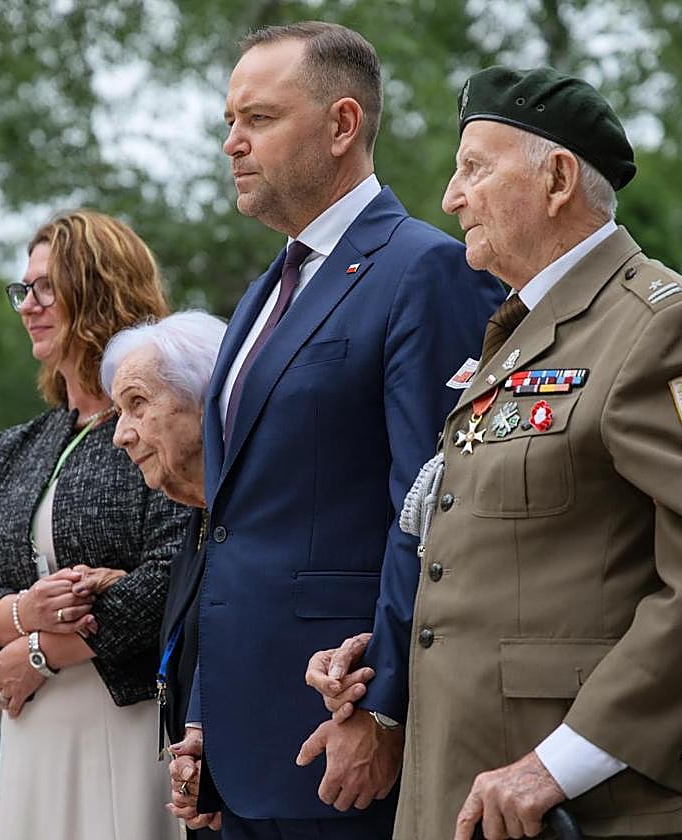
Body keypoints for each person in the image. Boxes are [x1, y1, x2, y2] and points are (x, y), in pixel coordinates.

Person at [315, 67, 682, 840]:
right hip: (459, 786)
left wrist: (562, 762)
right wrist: (379, 663)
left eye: (473, 169)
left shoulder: (660, 325)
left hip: (577, 802)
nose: (450, 198)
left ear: (557, 178)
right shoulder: (515, 332)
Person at [175, 20, 504, 840]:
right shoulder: (263, 291)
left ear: (342, 124)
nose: (232, 144)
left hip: (343, 740)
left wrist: (384, 710)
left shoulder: (424, 268)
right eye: (228, 123)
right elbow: (232, 528)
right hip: (246, 746)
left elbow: (435, 514)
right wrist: (207, 711)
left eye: (257, 119)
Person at [0, 210, 191, 840]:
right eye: (22, 290)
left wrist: (40, 652)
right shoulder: (20, 444)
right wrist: (26, 613)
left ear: (101, 288)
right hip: (31, 725)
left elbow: (174, 571)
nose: (28, 304)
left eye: (46, 287)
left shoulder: (159, 420)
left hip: (122, 713)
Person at [99, 310, 229, 834]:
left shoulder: (244, 522)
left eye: (137, 405)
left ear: (203, 399)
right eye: (117, 412)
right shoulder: (196, 520)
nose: (121, 436)